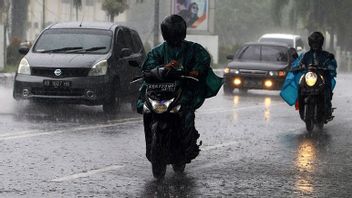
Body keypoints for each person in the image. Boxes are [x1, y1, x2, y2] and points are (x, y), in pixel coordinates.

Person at [136, 14, 223, 163]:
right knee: (145, 107)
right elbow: (149, 67)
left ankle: (188, 146)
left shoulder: (193, 49)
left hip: (183, 90)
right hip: (159, 90)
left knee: (186, 112)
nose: (173, 36)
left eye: (175, 32)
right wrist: (163, 68)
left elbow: (203, 59)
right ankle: (152, 145)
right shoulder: (158, 51)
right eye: (170, 32)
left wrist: (196, 70)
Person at [280, 31, 337, 117]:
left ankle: (327, 108)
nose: (315, 45)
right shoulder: (305, 55)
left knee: (327, 88)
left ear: (321, 43)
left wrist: (329, 66)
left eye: (317, 43)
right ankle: (300, 104)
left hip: (322, 77)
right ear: (310, 43)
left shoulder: (326, 55)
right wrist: (297, 67)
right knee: (300, 85)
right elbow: (299, 62)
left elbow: (332, 64)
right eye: (313, 43)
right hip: (309, 76)